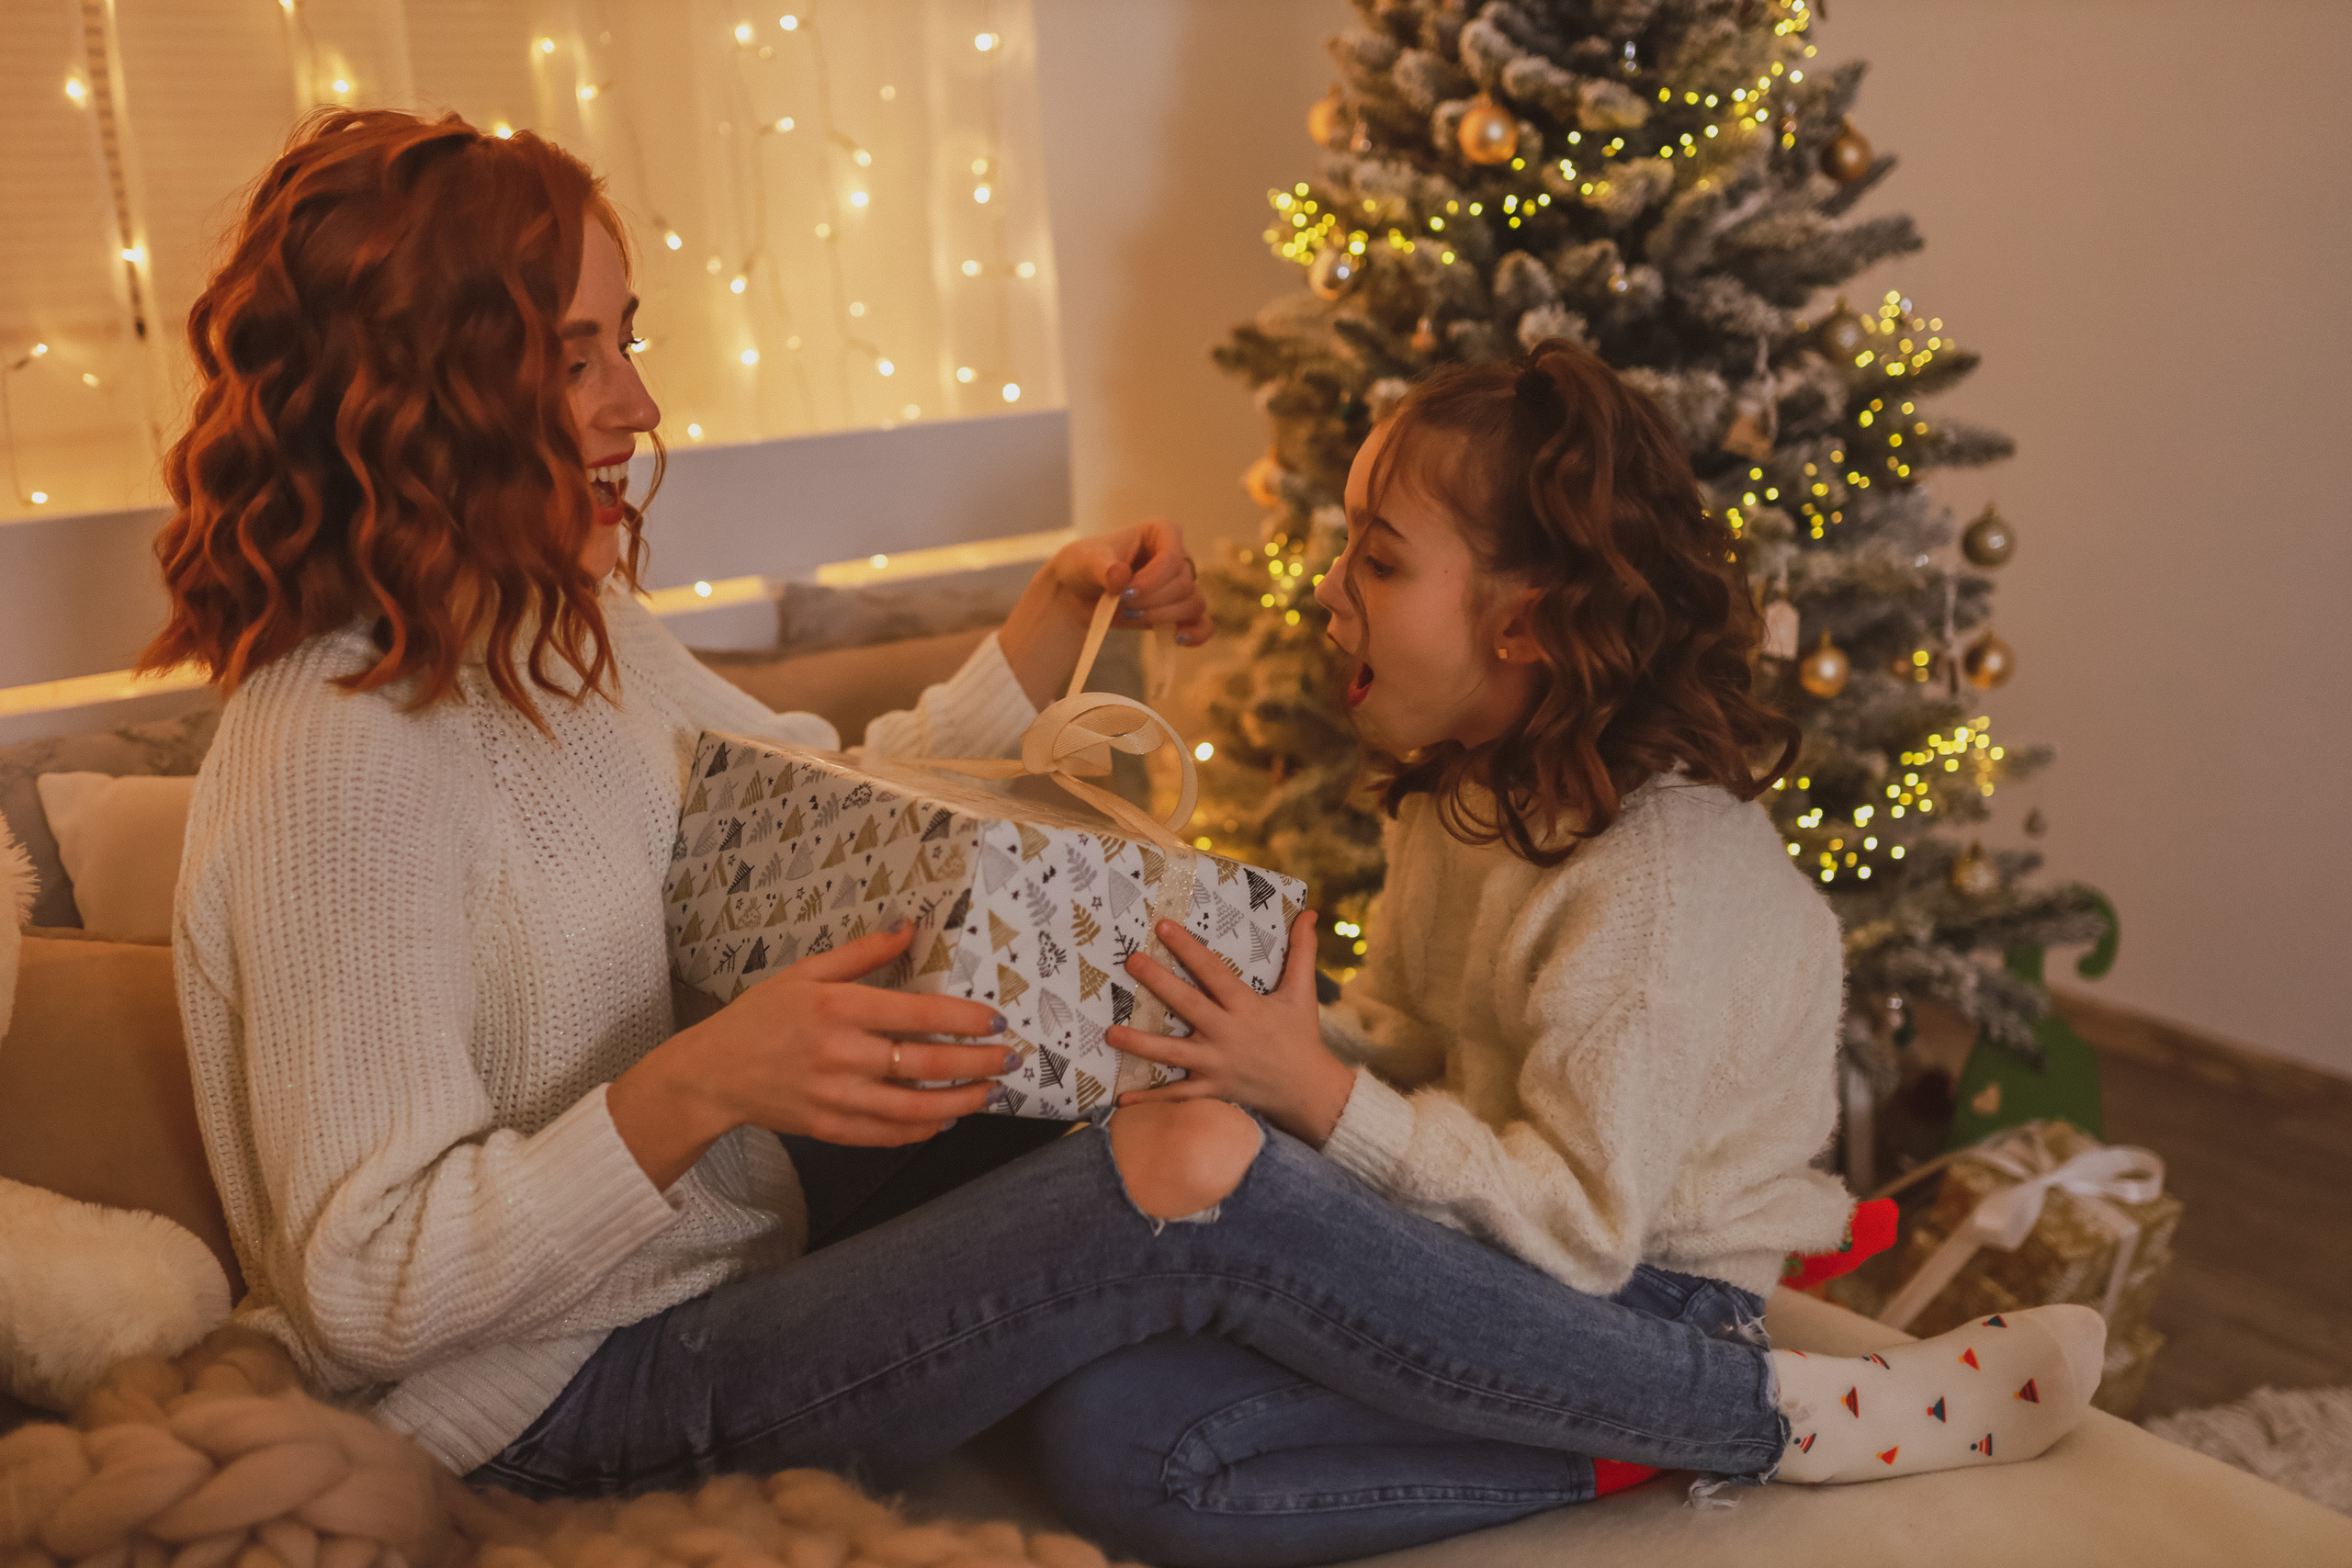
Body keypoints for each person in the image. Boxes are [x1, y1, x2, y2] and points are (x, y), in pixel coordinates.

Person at [144, 109, 2094, 1568]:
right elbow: (361, 1289)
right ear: (422, 388)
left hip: (729, 1261)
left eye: (618, 338)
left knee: (1143, 1157)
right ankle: (1739, 1404)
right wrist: (692, 1086)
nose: (632, 402)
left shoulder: (554, 644)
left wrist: (1045, 613)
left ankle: (1633, 1356)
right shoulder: (339, 751)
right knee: (1178, 1155)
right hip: (555, 1402)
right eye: (575, 352)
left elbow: (836, 800)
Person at [1055, 341, 2107, 1563]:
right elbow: (1404, 1042)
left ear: (1531, 624)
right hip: (1488, 1251)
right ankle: (1603, 1425)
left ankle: (1676, 1420)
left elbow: (1586, 1225)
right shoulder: (1463, 794)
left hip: (1636, 1297)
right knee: (1101, 1373)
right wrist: (1253, 1035)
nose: (1328, 587)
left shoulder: (1654, 878)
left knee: (1125, 1449)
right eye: (1348, 544)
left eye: (1380, 560)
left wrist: (1318, 1094)